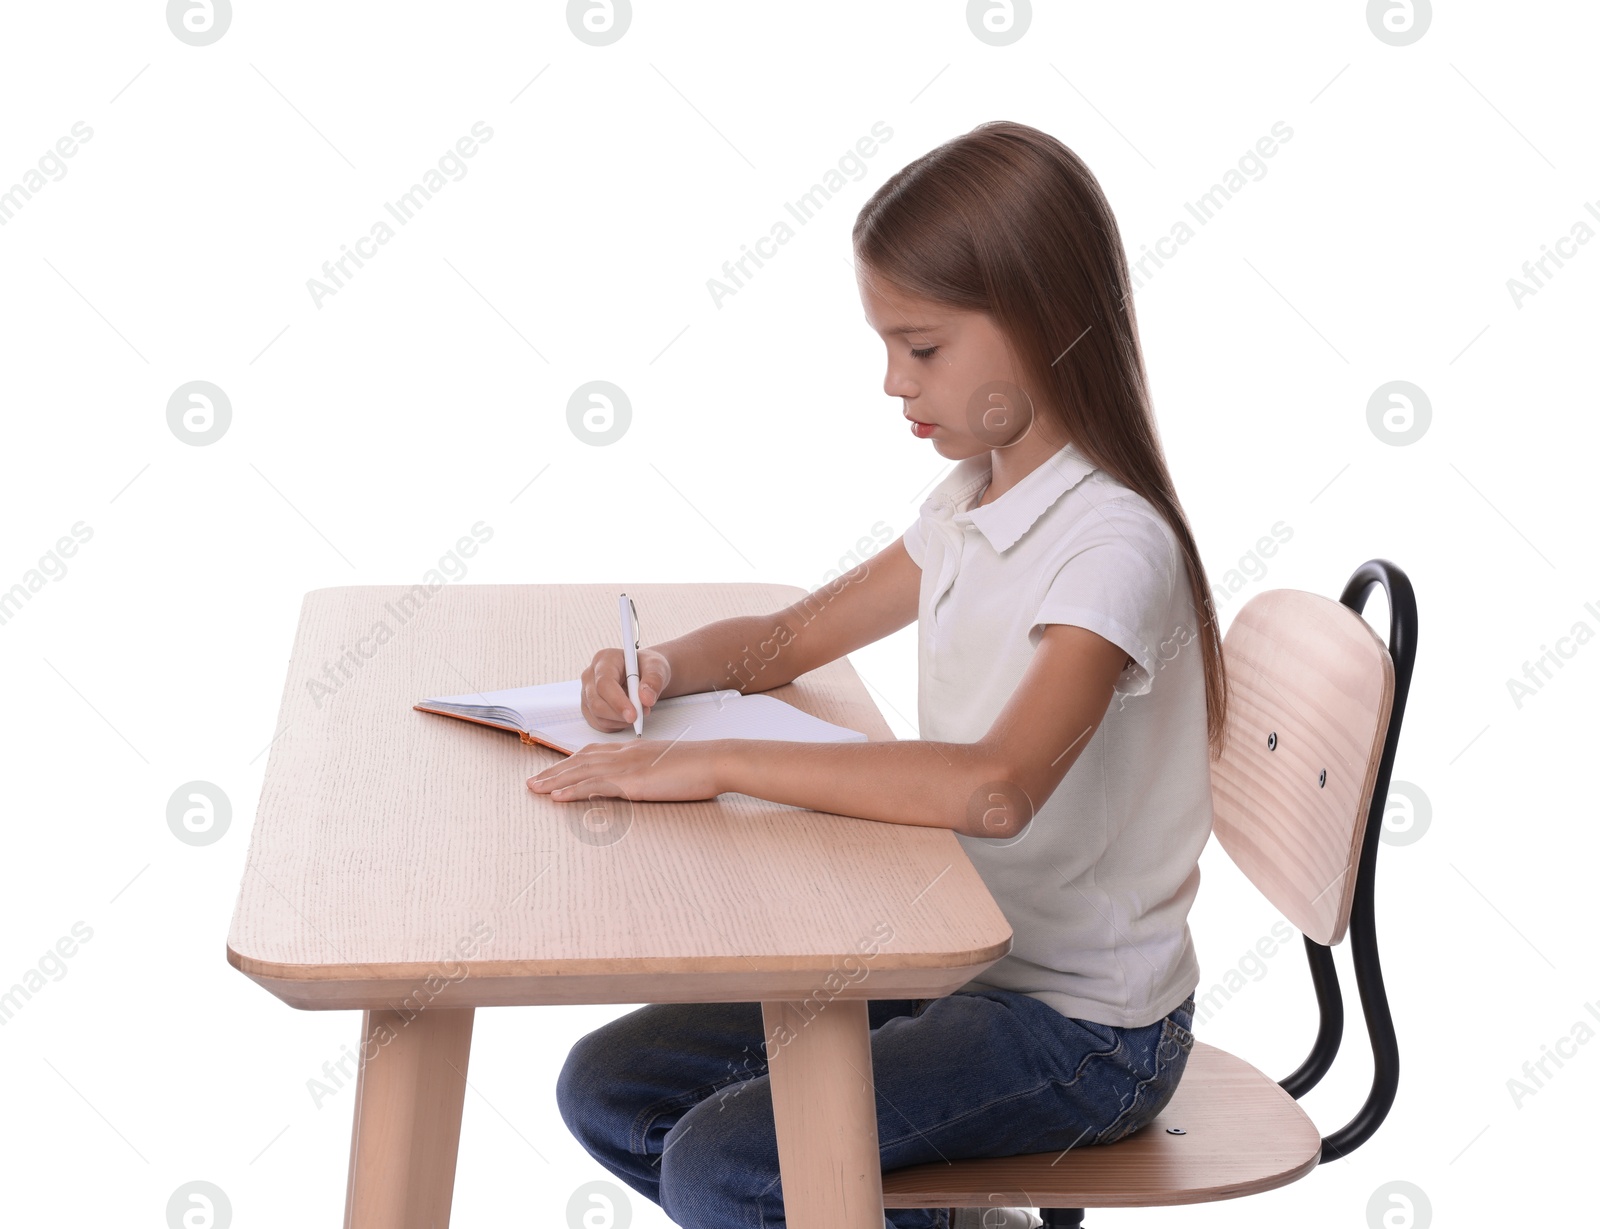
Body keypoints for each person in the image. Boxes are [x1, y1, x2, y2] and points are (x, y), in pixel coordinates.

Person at [530, 119, 1227, 1229]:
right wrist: (656, 666)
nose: (893, 381)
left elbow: (996, 786)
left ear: (1046, 321)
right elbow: (790, 639)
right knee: (613, 1085)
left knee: (724, 1165)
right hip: (954, 953)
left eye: (922, 346)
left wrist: (712, 762)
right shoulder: (973, 503)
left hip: (1085, 1030)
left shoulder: (1110, 545)